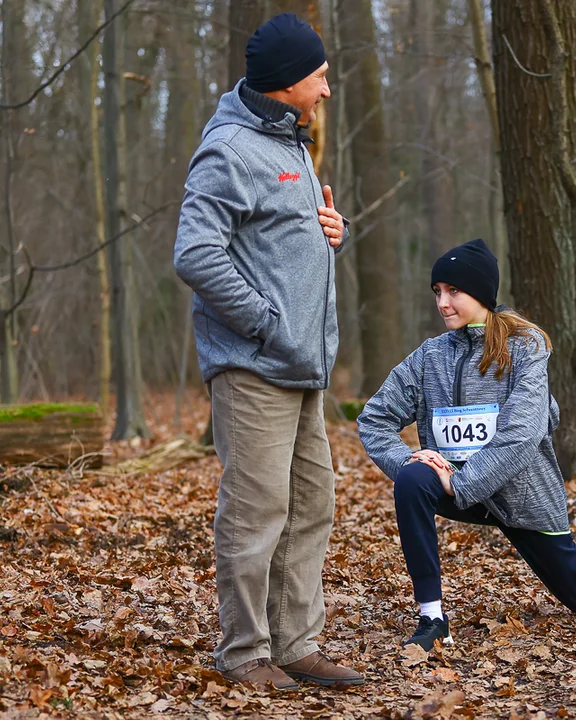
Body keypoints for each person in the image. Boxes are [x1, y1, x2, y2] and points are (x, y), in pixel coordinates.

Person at [174, 13, 361, 689]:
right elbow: (195, 253)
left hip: (301, 366)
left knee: (312, 506)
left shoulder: (286, 143)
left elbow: (274, 235)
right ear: (285, 83)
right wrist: (264, 322)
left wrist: (326, 232)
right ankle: (245, 652)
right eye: (320, 77)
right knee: (256, 518)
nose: (327, 91)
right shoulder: (230, 148)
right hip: (256, 366)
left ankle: (295, 644)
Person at [357, 238, 576, 650]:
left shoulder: (527, 348)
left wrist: (460, 485)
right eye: (437, 292)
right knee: (412, 479)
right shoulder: (429, 357)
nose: (442, 303)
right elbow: (374, 419)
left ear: (481, 293)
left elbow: (521, 434)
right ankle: (432, 618)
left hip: (523, 495)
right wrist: (410, 457)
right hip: (456, 484)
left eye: (454, 291)